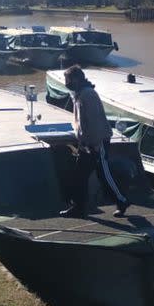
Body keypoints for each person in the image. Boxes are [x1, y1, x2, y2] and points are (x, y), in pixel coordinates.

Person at [60, 65, 130, 218]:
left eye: (68, 79)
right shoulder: (79, 94)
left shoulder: (88, 95)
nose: (66, 83)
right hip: (86, 144)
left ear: (76, 79)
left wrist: (96, 144)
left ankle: (121, 201)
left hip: (97, 143)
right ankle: (78, 207)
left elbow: (95, 121)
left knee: (104, 175)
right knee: (79, 176)